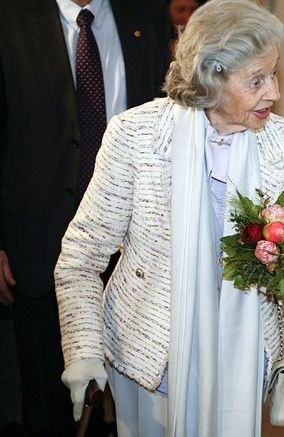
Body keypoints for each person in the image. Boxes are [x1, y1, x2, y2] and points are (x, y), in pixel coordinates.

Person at [53, 0, 284, 435]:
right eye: (256, 80)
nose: (274, 93)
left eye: (274, 73)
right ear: (211, 76)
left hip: (242, 358)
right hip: (149, 356)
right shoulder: (135, 135)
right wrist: (82, 349)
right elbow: (81, 255)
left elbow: (277, 264)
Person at [0, 1, 169, 435]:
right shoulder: (11, 16)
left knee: (136, 401)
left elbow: (169, 115)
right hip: (38, 240)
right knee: (51, 400)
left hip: (136, 245)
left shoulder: (146, 14)